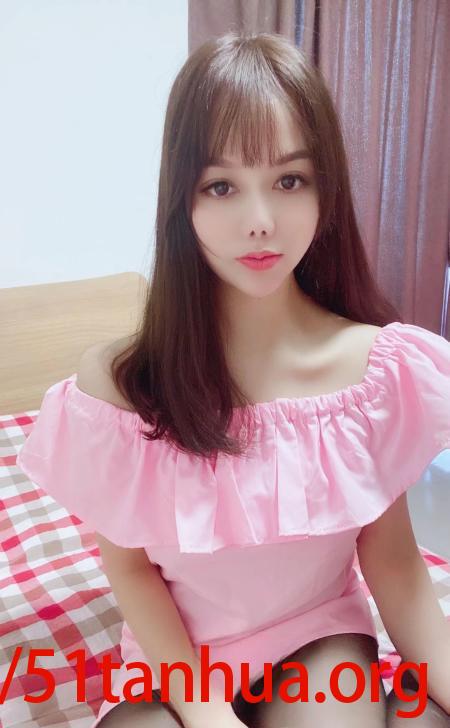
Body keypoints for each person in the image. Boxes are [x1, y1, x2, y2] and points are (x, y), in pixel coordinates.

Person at [17, 31, 450, 728]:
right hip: (174, 663)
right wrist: (208, 714)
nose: (260, 222)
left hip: (316, 638)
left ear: (325, 189)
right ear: (182, 201)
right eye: (221, 186)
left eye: (289, 180)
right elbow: (131, 569)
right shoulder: (120, 388)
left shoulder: (370, 373)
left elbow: (395, 565)